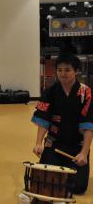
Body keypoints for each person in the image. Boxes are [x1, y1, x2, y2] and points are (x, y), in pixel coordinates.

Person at [32, 53, 93, 195]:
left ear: (76, 71)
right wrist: (38, 143)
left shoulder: (86, 93)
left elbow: (89, 125)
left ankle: (68, 168)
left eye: (67, 70)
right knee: (47, 182)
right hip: (54, 145)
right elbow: (43, 119)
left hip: (76, 148)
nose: (63, 74)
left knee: (78, 187)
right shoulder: (50, 92)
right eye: (59, 70)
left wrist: (84, 153)